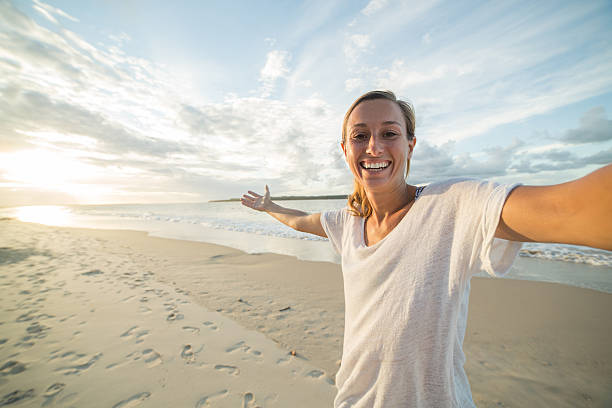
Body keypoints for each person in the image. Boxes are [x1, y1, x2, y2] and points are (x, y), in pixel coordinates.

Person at [241, 90, 612, 407]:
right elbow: (303, 220)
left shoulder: (451, 204)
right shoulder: (348, 222)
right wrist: (271, 208)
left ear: (409, 144)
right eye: (360, 135)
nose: (374, 147)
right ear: (345, 149)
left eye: (389, 133)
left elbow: (565, 209)